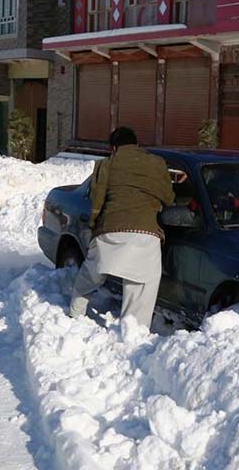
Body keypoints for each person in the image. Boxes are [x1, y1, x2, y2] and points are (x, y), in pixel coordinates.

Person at [68, 127, 176, 329]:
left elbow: (97, 202)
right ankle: (133, 333)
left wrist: (94, 227)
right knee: (141, 285)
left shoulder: (106, 165)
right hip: (145, 234)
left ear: (114, 147)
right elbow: (169, 198)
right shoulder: (157, 163)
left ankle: (75, 315)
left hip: (110, 231)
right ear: (136, 144)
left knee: (91, 275)